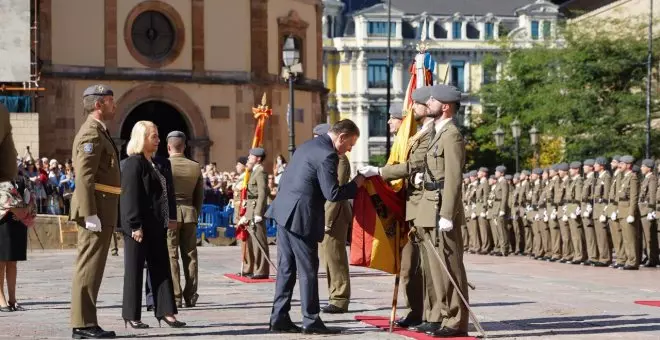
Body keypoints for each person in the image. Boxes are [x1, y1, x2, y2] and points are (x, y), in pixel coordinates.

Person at [362, 84, 470, 337]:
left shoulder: (451, 135)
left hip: (439, 206)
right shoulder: (437, 134)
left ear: (445, 106)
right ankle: (439, 316)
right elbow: (420, 165)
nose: (426, 103)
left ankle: (455, 321)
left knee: (448, 266)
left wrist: (447, 213)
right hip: (427, 205)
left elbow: (453, 178)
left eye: (433, 100)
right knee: (433, 268)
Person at [267, 119, 365, 335]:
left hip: (284, 212)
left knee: (286, 269)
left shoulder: (307, 146)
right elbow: (333, 194)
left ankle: (279, 317)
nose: (349, 149)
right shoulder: (327, 154)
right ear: (341, 137)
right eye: (350, 144)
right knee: (308, 270)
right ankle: (311, 320)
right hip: (301, 217)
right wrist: (356, 183)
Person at [361, 87, 434, 328]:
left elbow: (408, 170)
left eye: (393, 118)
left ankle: (427, 314)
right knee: (408, 268)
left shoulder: (413, 141)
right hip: (411, 211)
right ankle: (416, 312)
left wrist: (379, 174)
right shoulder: (402, 144)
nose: (389, 122)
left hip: (419, 209)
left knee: (417, 267)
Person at [120, 121, 185, 328]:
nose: (158, 140)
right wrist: (134, 225)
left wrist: (170, 218)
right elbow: (129, 197)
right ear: (142, 138)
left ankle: (166, 311)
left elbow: (168, 194)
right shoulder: (133, 163)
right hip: (139, 226)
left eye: (158, 136)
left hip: (157, 225)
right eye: (154, 136)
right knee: (134, 270)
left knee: (161, 268)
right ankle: (132, 315)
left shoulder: (158, 163)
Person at [69, 84, 121, 339]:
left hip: (102, 206)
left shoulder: (99, 132)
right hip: (96, 208)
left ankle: (87, 321)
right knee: (88, 266)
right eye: (111, 101)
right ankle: (83, 324)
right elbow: (84, 176)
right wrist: (89, 213)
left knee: (94, 267)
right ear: (99, 104)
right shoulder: (91, 133)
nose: (115, 105)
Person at [0, 103, 36, 313]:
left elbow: (29, 198)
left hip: (16, 224)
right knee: (1, 263)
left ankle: (13, 298)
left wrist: (26, 210)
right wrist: (15, 209)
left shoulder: (21, 179)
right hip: (3, 222)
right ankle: (1, 298)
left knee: (12, 263)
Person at [314, 123, 353, 315]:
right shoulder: (328, 157)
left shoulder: (340, 160)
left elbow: (334, 195)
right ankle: (334, 295)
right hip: (326, 215)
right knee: (327, 259)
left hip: (335, 216)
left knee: (335, 258)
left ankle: (340, 298)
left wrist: (327, 221)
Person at [166, 131, 204, 308]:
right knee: (190, 256)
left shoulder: (164, 166)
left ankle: (176, 296)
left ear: (168, 147)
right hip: (189, 212)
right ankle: (191, 295)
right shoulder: (195, 166)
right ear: (185, 146)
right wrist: (194, 211)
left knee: (171, 255)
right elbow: (199, 196)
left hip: (170, 215)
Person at [237, 147, 270, 280]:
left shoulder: (260, 171)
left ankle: (261, 270)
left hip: (256, 208)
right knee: (251, 240)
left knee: (259, 241)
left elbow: (262, 193)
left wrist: (258, 213)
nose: (249, 158)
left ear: (258, 158)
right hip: (251, 207)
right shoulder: (254, 171)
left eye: (251, 156)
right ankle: (252, 268)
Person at [639, 159, 658, 267]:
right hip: (642, 210)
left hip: (647, 210)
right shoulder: (646, 178)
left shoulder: (652, 178)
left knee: (649, 237)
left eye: (643, 166)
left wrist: (651, 210)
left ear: (649, 168)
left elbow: (652, 195)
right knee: (645, 237)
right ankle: (648, 257)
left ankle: (653, 259)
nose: (641, 168)